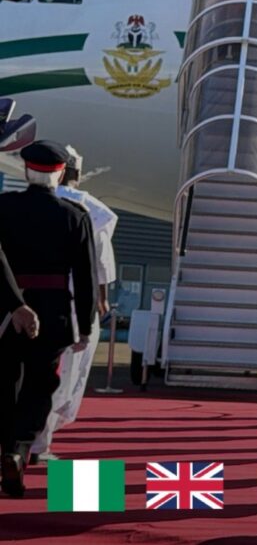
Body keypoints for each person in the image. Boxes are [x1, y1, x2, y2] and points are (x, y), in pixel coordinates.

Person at [0, 141, 98, 498]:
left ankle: (7, 447)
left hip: (5, 310)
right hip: (53, 313)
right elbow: (86, 276)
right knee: (40, 388)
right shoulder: (75, 215)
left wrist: (13, 304)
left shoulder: (4, 207)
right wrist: (84, 326)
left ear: (26, 170)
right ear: (60, 172)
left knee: (6, 382)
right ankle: (19, 450)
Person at [31, 145, 119, 464]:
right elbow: (99, 261)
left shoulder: (18, 203)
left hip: (23, 301)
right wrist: (102, 299)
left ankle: (18, 442)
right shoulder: (90, 210)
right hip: (70, 303)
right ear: (76, 173)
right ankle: (39, 442)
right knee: (65, 375)